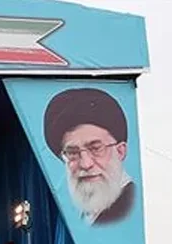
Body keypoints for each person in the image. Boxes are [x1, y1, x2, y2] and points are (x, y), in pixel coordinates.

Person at [44, 87, 136, 226]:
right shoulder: (85, 214)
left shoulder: (131, 207)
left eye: (96, 149)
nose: (86, 164)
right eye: (73, 153)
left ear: (120, 151)